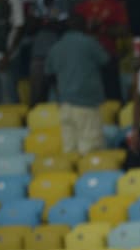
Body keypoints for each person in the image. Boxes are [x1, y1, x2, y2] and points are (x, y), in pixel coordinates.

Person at [44, 15, 108, 155]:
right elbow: (106, 60)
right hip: (85, 103)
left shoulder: (56, 46)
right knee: (90, 150)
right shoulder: (88, 42)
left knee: (70, 151)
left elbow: (49, 74)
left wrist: (59, 95)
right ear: (84, 26)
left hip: (64, 105)